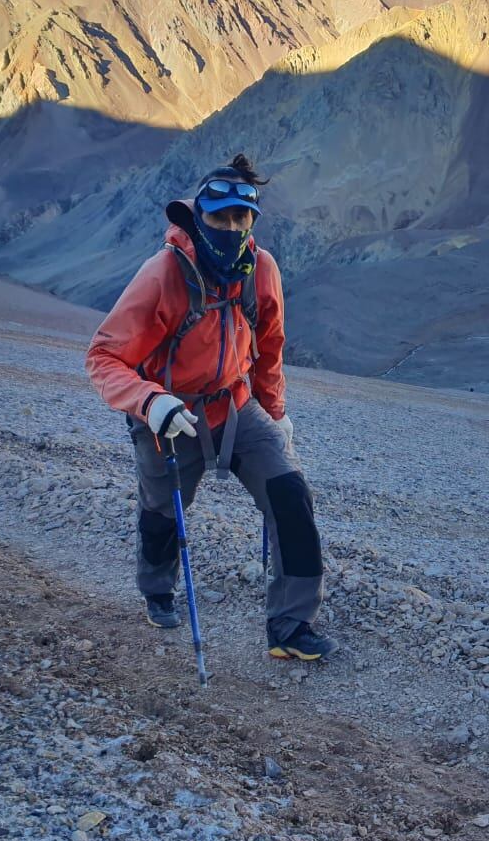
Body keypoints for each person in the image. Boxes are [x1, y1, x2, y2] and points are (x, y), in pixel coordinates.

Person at [85, 154, 338, 661]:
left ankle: (290, 627)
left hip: (235, 406)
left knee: (290, 494)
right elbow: (104, 356)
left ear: (252, 220)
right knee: (162, 512)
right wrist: (150, 402)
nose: (229, 229)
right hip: (168, 415)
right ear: (198, 218)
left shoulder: (261, 270)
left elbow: (269, 346)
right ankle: (157, 588)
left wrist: (276, 412)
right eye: (219, 218)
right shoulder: (162, 275)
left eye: (240, 219)